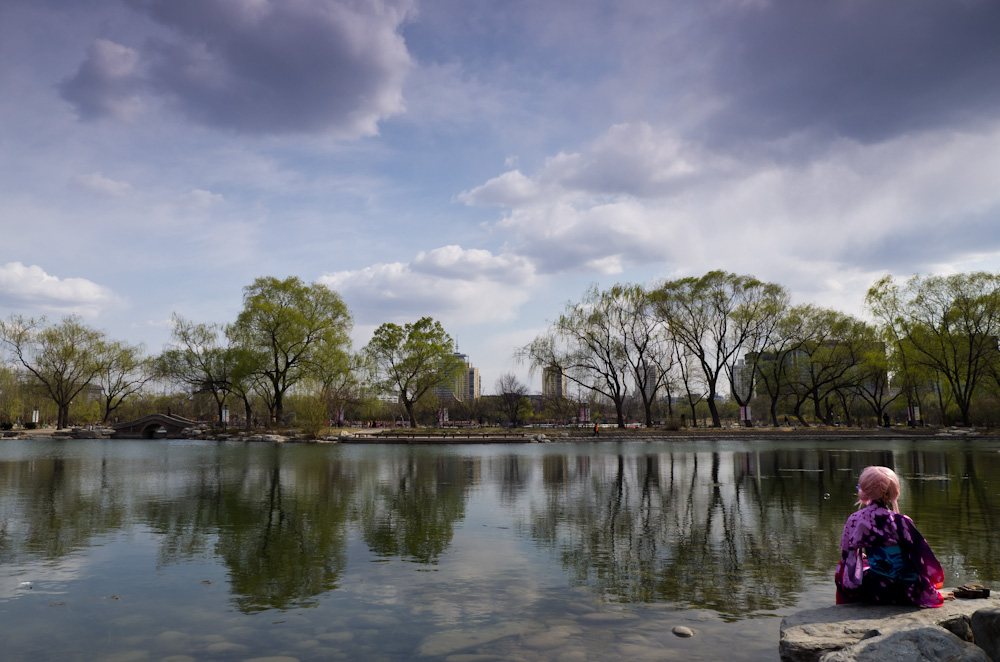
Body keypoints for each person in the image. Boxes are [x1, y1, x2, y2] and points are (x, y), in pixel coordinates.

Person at [835, 466, 952, 607]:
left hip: (873, 590)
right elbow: (920, 560)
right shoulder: (901, 521)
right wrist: (930, 591)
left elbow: (848, 558)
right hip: (902, 592)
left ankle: (849, 603)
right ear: (889, 491)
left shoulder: (854, 519)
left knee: (854, 562)